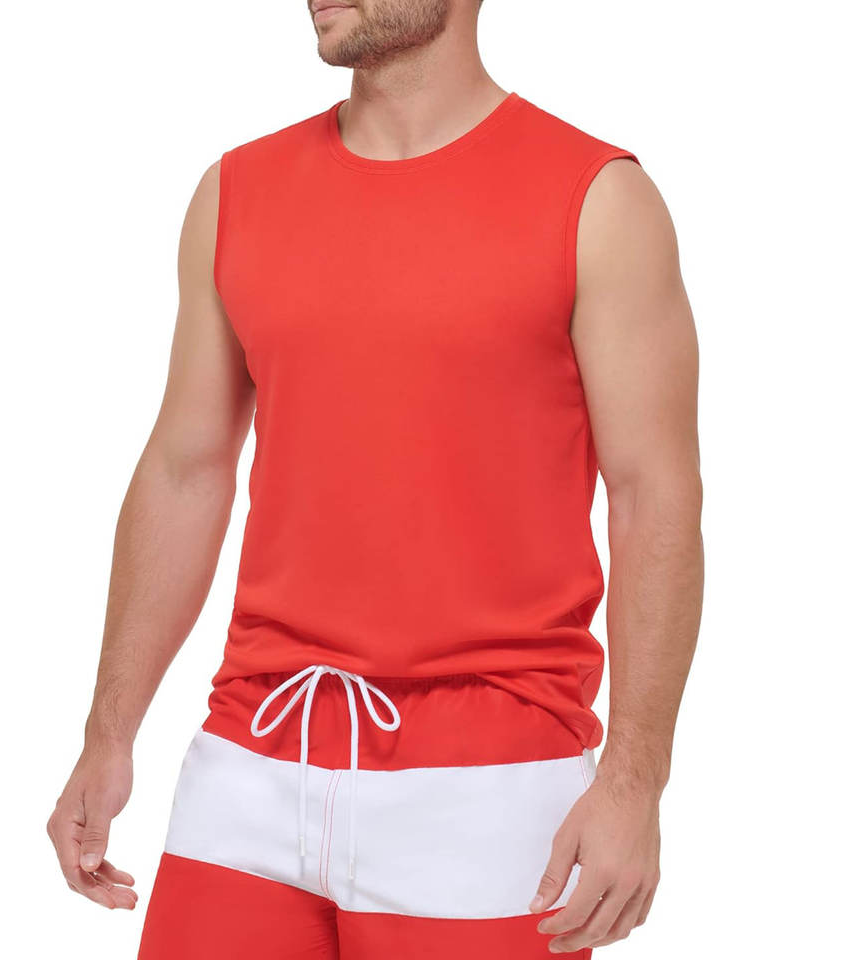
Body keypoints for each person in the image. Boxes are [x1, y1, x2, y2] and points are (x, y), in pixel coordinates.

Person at [46, 1, 703, 956]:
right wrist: (109, 734)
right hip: (253, 752)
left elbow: (655, 499)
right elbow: (186, 470)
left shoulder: (599, 200)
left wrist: (636, 785)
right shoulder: (236, 192)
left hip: (488, 784)